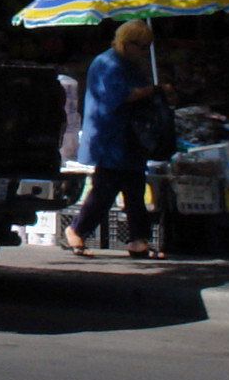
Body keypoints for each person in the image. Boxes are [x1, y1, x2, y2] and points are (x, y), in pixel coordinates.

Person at [64, 19, 174, 258]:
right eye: (142, 47)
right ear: (128, 43)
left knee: (135, 189)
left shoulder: (131, 64)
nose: (144, 52)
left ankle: (138, 239)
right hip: (110, 138)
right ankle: (76, 229)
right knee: (105, 189)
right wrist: (152, 90)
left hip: (129, 139)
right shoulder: (108, 64)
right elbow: (120, 96)